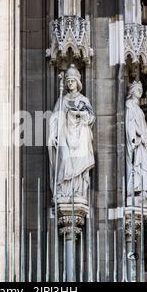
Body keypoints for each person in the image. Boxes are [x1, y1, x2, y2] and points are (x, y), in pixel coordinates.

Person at [48, 64, 95, 199]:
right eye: (68, 81)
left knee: (79, 162)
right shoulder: (62, 100)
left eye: (72, 81)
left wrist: (81, 116)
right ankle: (64, 190)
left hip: (80, 136)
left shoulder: (83, 100)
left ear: (77, 82)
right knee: (65, 160)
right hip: (65, 135)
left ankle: (78, 190)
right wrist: (53, 135)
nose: (70, 83)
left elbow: (91, 117)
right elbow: (55, 118)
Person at [125, 81, 147, 207]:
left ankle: (143, 190)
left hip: (143, 143)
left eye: (141, 89)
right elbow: (130, 124)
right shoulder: (130, 104)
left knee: (145, 167)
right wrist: (139, 137)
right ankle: (137, 190)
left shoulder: (137, 108)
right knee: (138, 166)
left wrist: (146, 137)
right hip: (138, 142)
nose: (140, 91)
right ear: (131, 90)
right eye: (137, 89)